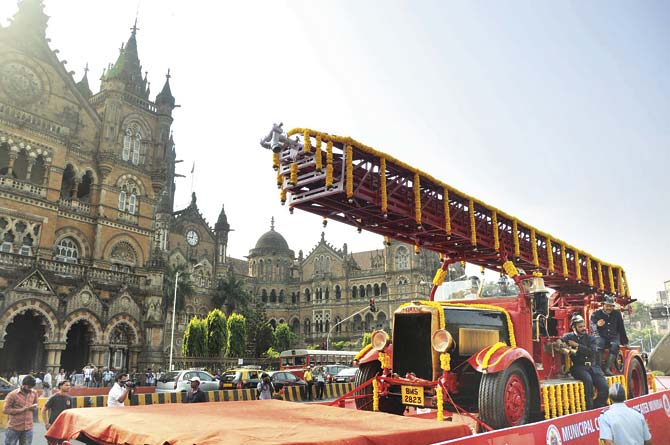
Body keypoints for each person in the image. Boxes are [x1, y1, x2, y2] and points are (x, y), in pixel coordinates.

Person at [559, 314, 609, 410]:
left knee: (604, 387)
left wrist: (577, 345)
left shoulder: (591, 338)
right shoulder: (568, 336)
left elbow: (592, 352)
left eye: (583, 326)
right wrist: (562, 346)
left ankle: (598, 406)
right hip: (579, 367)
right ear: (574, 327)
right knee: (588, 381)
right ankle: (589, 409)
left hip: (594, 368)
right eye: (580, 327)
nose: (583, 328)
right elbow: (558, 342)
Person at [590, 295, 629, 376]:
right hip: (601, 336)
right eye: (607, 306)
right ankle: (599, 368)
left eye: (611, 306)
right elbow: (592, 326)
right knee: (599, 344)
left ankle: (607, 368)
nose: (609, 308)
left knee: (615, 345)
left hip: (613, 337)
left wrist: (625, 342)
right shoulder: (596, 314)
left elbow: (621, 328)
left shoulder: (617, 314)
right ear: (603, 305)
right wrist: (597, 325)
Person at [2, 375, 39, 445]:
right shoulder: (12, 394)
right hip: (14, 428)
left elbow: (36, 404)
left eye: (31, 387)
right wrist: (22, 409)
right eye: (28, 387)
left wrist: (34, 407)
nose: (30, 389)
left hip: (28, 428)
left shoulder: (34, 393)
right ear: (23, 384)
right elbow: (5, 410)